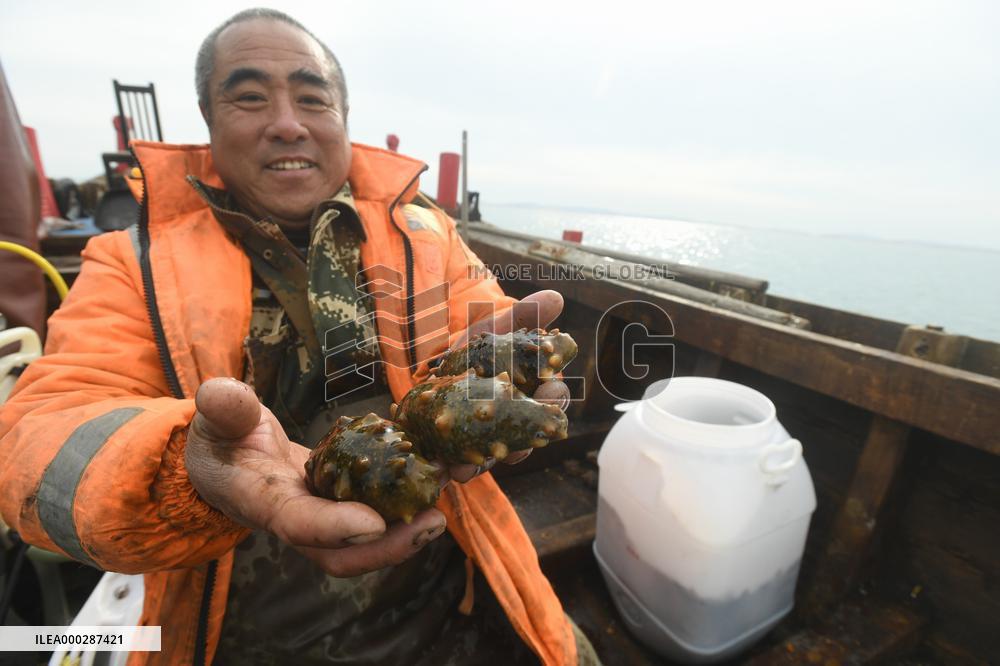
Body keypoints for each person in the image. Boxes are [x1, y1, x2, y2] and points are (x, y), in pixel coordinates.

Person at [0, 8, 599, 666]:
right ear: (208, 119)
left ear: (342, 117)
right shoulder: (129, 261)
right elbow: (40, 435)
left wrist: (513, 385)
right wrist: (190, 469)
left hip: (453, 592)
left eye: (313, 98)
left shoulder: (426, 233)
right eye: (250, 97)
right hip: (240, 634)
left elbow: (481, 334)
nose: (287, 122)